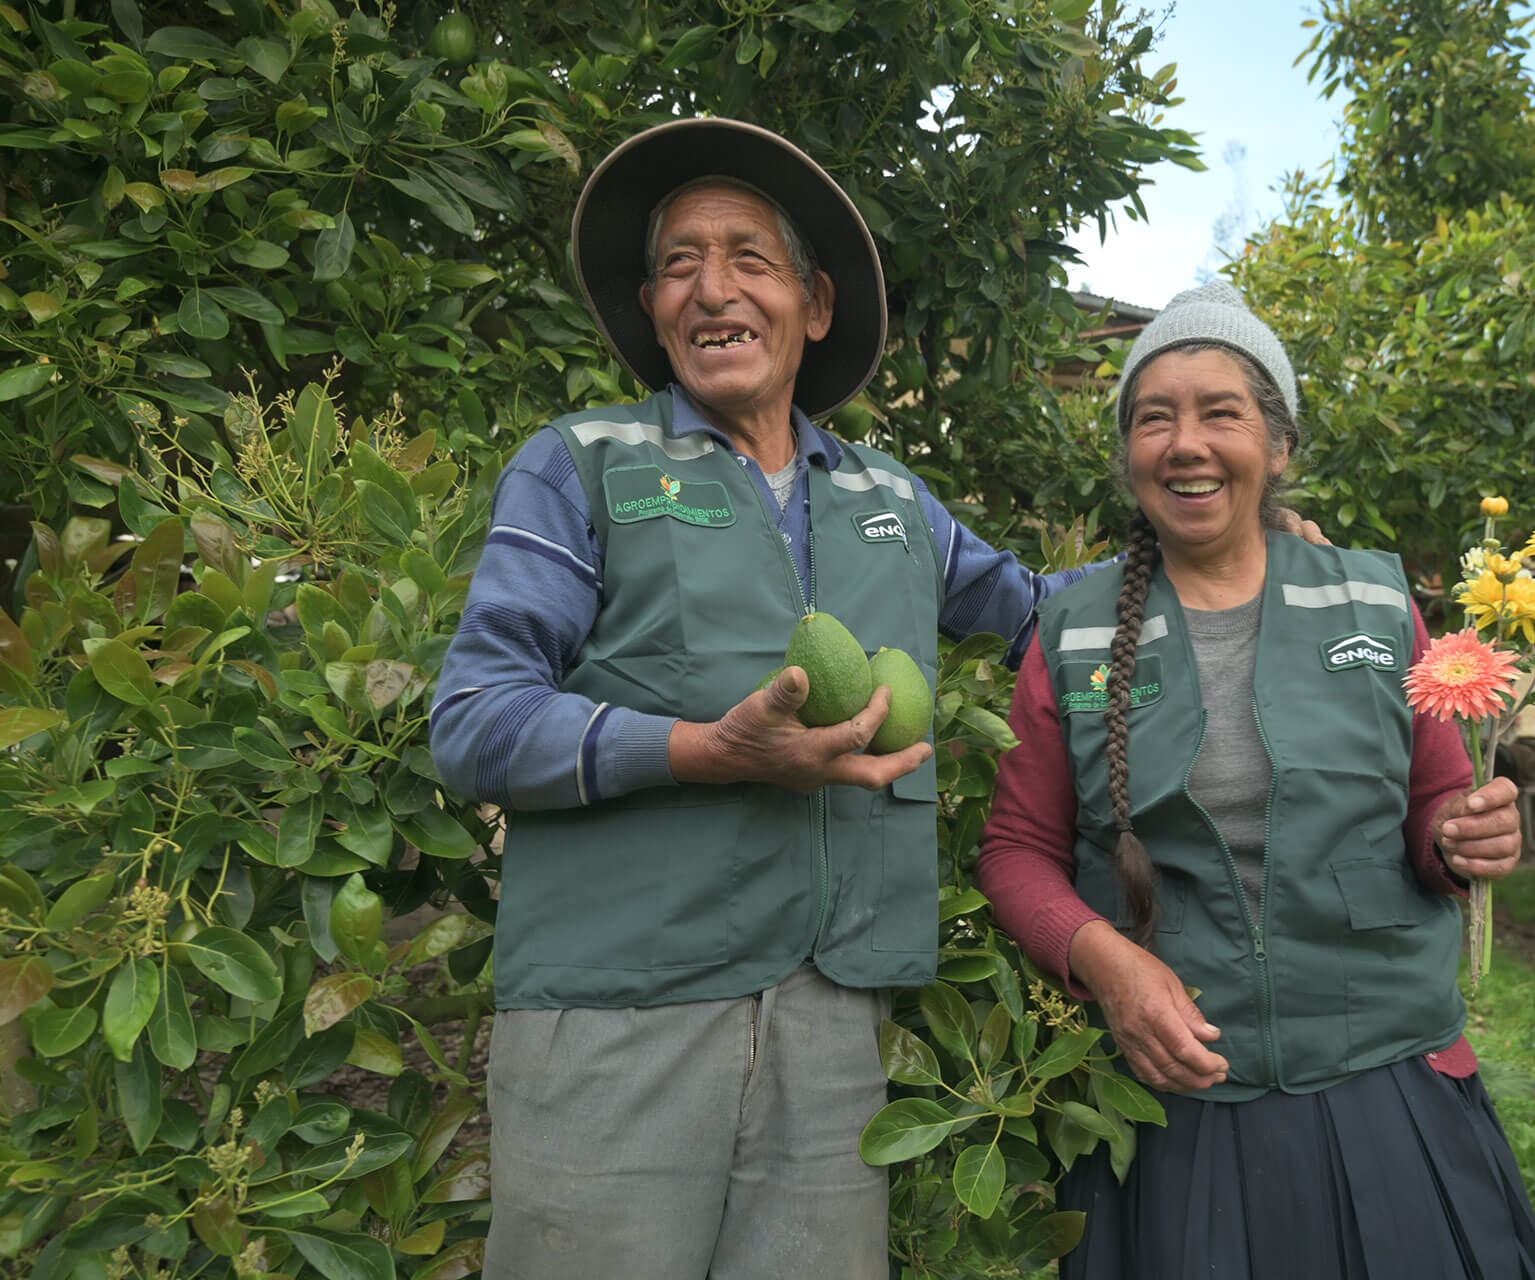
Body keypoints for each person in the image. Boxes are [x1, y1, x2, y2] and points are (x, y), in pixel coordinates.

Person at [431, 119, 1325, 1279]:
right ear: (651, 307)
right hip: (620, 1013)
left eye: (749, 257)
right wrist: (703, 748)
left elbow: (1046, 613)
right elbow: (476, 720)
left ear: (814, 303)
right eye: (680, 264)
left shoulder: (888, 495)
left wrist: (1235, 552)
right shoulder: (582, 463)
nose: (714, 288)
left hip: (832, 1013)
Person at [977, 281, 1535, 1279]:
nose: (1185, 442)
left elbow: (1429, 802)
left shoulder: (1373, 601)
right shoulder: (1072, 637)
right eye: (1153, 419)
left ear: (1277, 446)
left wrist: (1459, 836)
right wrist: (1111, 965)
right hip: (1179, 1096)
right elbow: (1016, 850)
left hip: (1386, 1078)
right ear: (1128, 457)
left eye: (1220, 412)